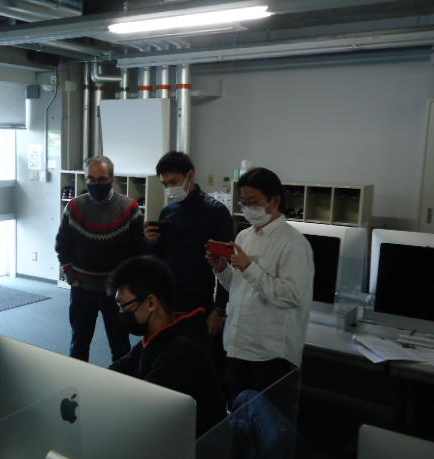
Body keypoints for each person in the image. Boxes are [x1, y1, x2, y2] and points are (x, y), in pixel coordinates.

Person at [206, 167, 314, 403]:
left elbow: (292, 296)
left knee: (268, 420)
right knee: (238, 415)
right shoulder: (244, 236)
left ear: (274, 201)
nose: (247, 208)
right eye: (243, 202)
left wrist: (249, 268)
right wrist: (222, 269)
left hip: (270, 353)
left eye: (253, 202)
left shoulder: (294, 243)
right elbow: (239, 289)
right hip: (238, 344)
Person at [107, 255, 226, 437]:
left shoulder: (182, 351)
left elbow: (141, 408)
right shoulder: (156, 338)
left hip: (200, 449)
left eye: (124, 306)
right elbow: (114, 373)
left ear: (151, 303)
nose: (121, 313)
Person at [55, 156, 145, 362]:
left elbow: (137, 252)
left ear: (112, 178)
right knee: (79, 345)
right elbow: (62, 244)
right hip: (82, 289)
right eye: (91, 179)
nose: (96, 184)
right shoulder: (74, 207)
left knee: (121, 347)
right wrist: (70, 276)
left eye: (102, 179)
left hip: (116, 292)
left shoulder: (130, 209)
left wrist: (127, 285)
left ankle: (120, 383)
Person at [145, 151, 234, 346]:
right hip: (167, 299)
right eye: (165, 184)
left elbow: (227, 264)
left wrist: (219, 310)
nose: (170, 188)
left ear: (190, 175)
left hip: (200, 301)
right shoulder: (168, 211)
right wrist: (152, 243)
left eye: (174, 182)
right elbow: (159, 258)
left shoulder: (216, 212)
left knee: (196, 356)